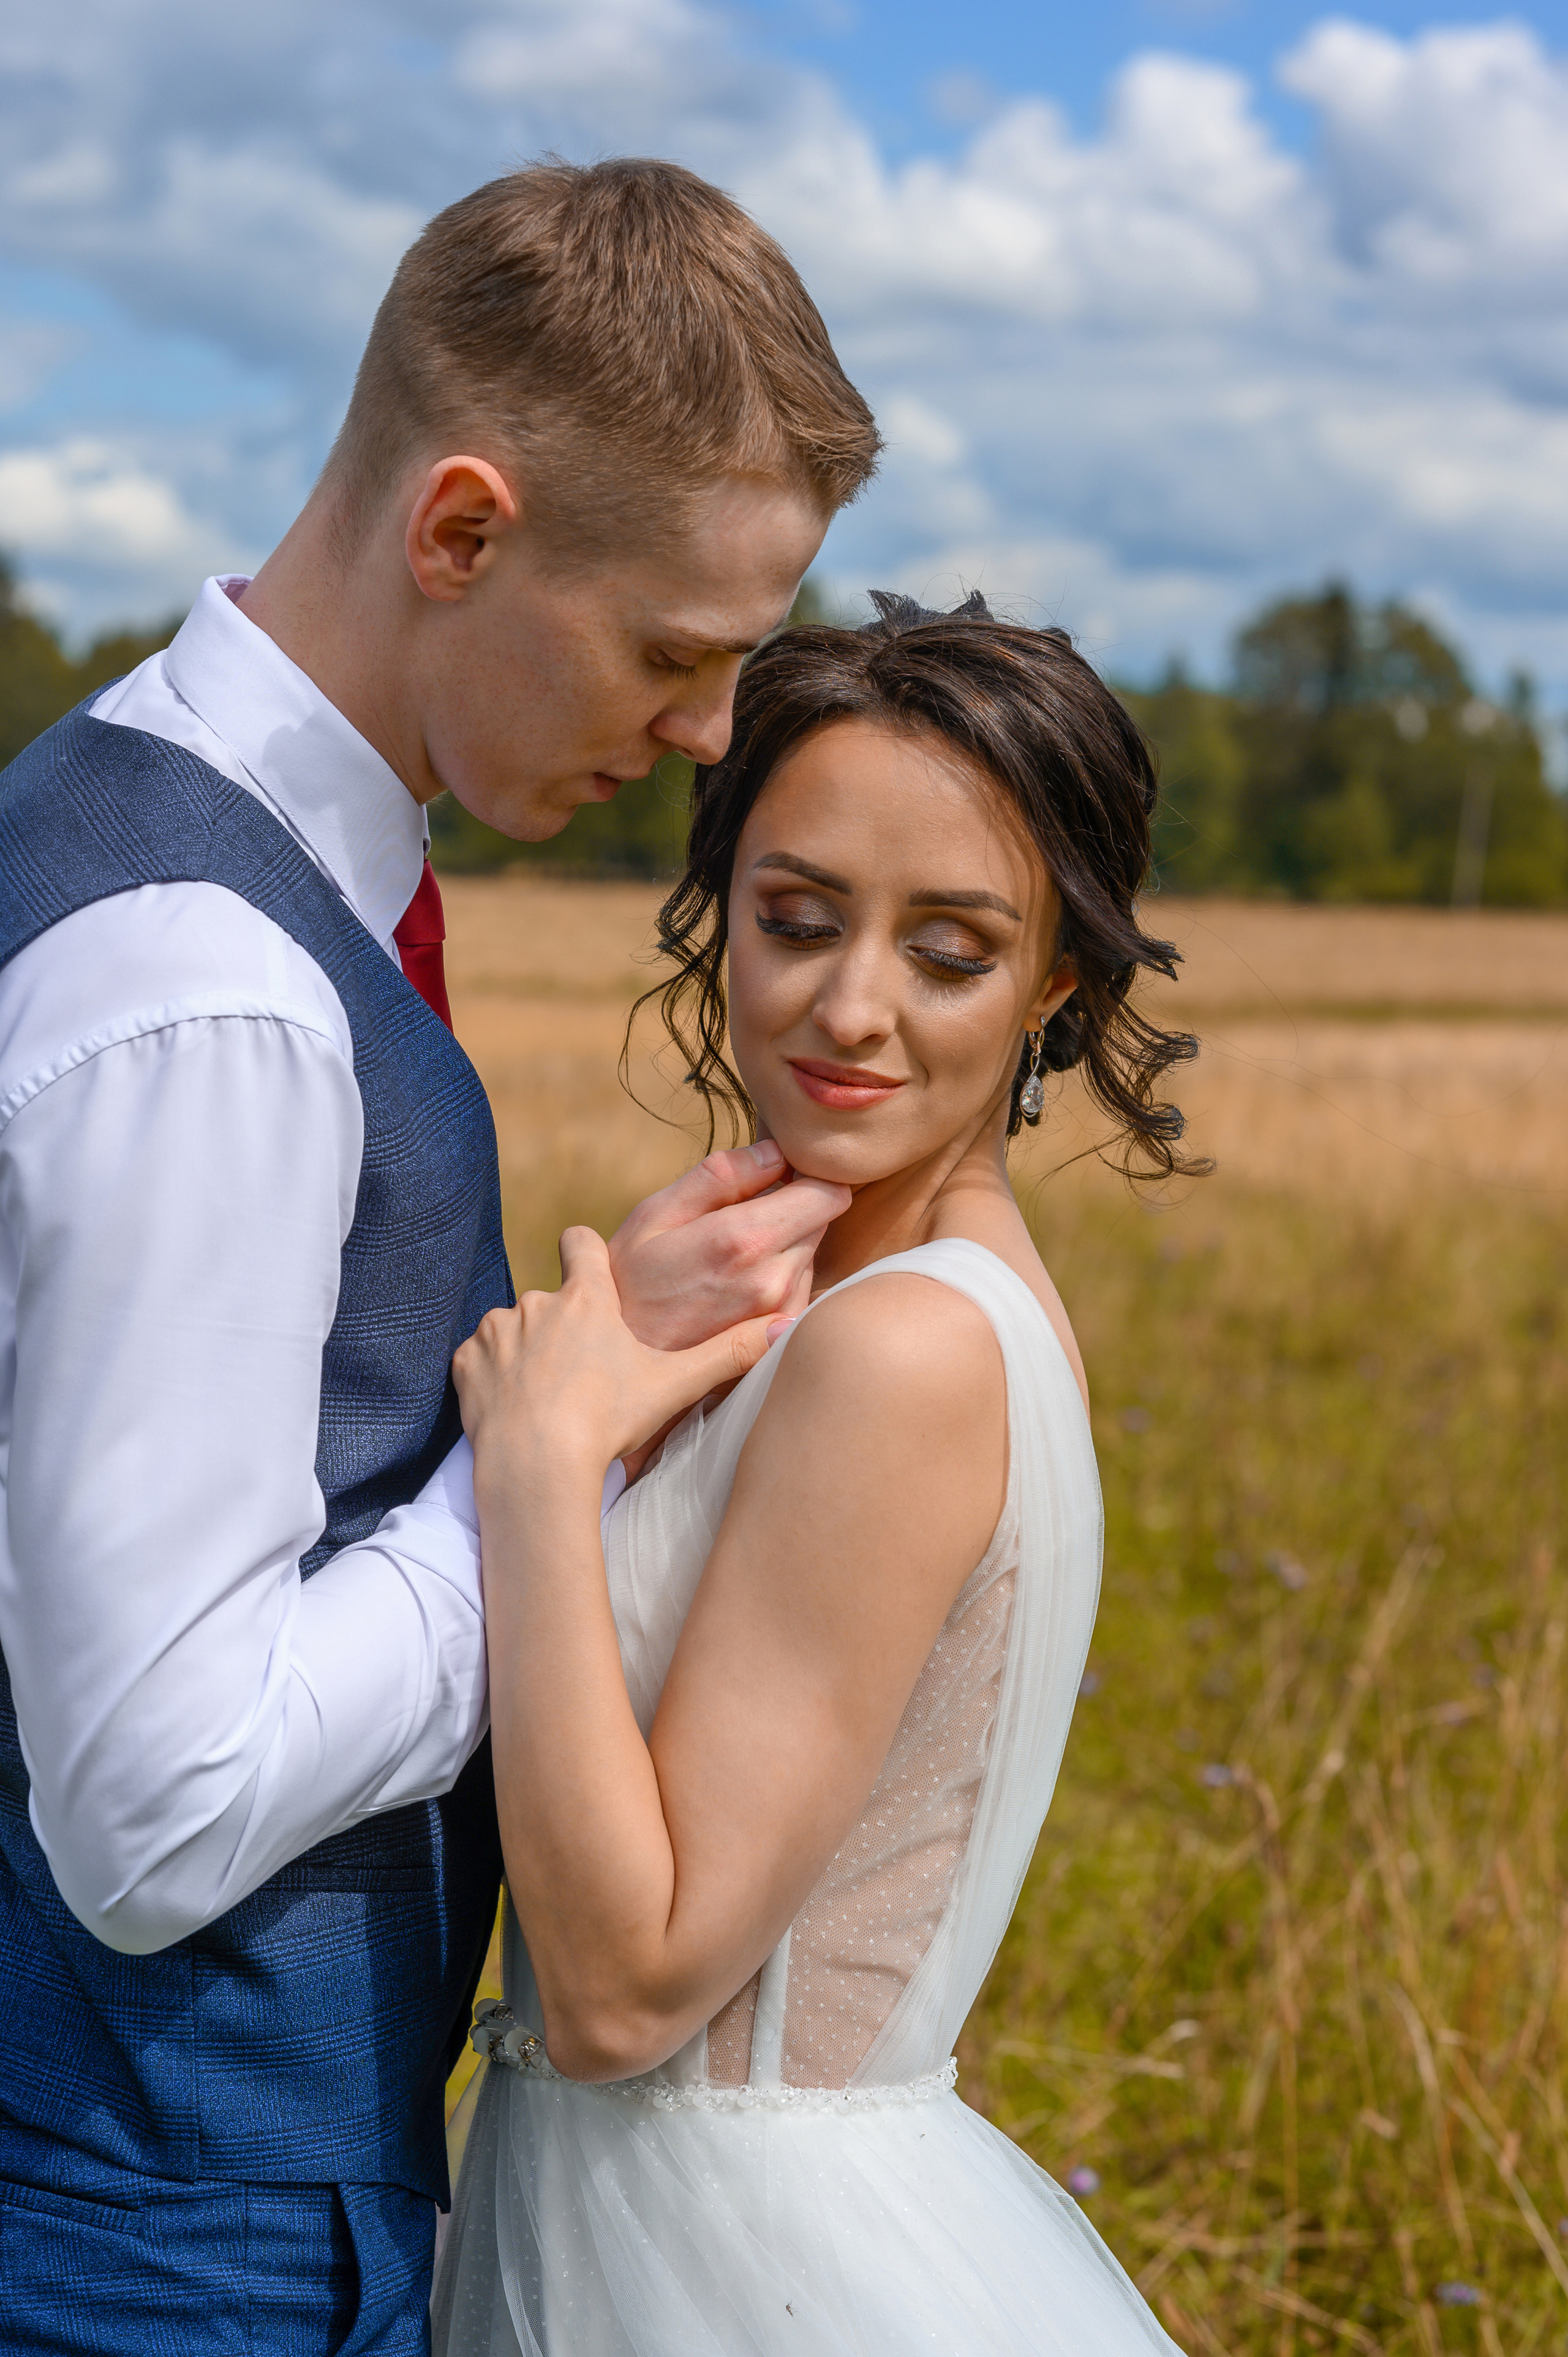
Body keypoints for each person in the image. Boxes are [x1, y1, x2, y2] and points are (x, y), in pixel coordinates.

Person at [0, 161, 878, 2353]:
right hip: (164, 2238)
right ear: (463, 530)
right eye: (676, 655)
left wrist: (591, 1342)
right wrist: (535, 1480)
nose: (701, 739)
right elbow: (153, 1797)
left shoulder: (131, 821)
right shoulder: (216, 991)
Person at [433, 592, 1202, 2354]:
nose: (851, 1009)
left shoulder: (904, 1350)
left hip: (723, 2256)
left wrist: (545, 1464)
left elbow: (630, 1991)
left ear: (1056, 984)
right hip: (669, 2216)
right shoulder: (842, 1298)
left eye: (949, 952)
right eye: (794, 920)